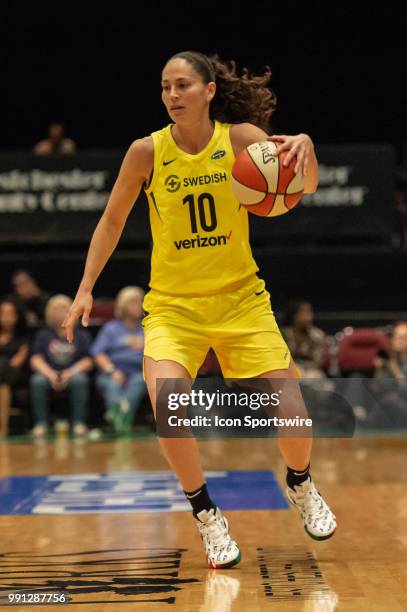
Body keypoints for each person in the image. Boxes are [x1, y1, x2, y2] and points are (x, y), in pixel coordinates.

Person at [63, 51, 336, 569]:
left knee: (293, 411)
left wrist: (306, 148)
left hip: (241, 300)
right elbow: (112, 220)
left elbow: (307, 184)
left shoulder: (239, 139)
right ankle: (207, 514)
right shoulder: (147, 151)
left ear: (209, 90)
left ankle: (300, 484)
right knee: (169, 408)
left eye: (183, 85)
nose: (172, 95)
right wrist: (84, 288)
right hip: (173, 308)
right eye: (165, 86)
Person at [30, 295, 93, 438]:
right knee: (37, 381)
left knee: (80, 380)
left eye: (63, 309)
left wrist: (69, 373)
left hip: (73, 373)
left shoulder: (81, 335)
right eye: (56, 310)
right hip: (48, 373)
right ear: (49, 313)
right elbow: (35, 359)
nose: (60, 313)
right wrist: (50, 374)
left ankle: (79, 423)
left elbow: (88, 361)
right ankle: (41, 424)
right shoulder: (43, 335)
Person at [91, 286, 146, 433]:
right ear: (123, 305)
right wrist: (112, 371)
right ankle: (123, 421)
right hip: (112, 372)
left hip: (139, 372)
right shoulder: (111, 328)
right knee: (113, 384)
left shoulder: (147, 328)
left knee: (139, 381)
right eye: (134, 302)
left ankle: (118, 417)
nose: (139, 305)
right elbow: (98, 353)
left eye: (140, 301)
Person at [0, 297, 29, 438]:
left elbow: (15, 363)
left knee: (3, 380)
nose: (6, 318)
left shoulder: (22, 339)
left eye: (10, 314)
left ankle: (3, 428)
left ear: (16, 317)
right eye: (3, 314)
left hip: (13, 376)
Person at [282, 299, 327, 378]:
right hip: (288, 371)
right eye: (303, 312)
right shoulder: (284, 334)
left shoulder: (317, 335)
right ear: (294, 315)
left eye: (309, 311)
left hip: (311, 372)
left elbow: (318, 362)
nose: (307, 316)